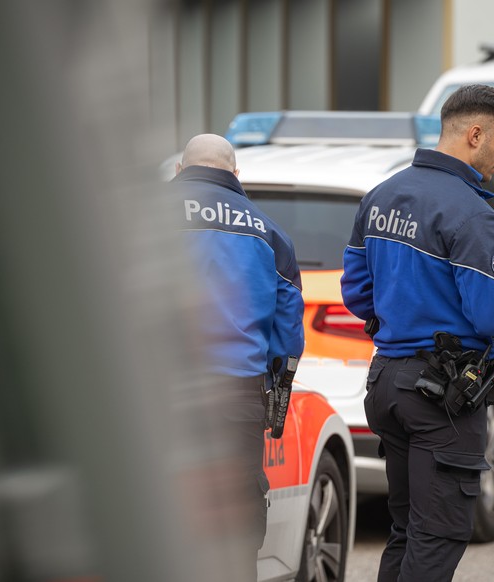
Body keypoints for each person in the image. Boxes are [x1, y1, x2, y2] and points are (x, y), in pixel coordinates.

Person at [340, 84, 494, 581]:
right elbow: (492, 313)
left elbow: (356, 293)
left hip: (388, 386)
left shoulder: (381, 196)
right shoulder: (471, 212)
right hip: (441, 398)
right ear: (475, 134)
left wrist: (403, 319)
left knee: (408, 529)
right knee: (438, 537)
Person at [172, 133, 305, 580]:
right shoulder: (269, 233)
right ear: (235, 174)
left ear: (179, 172)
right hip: (237, 398)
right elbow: (288, 339)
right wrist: (274, 396)